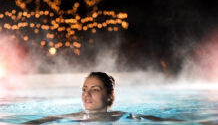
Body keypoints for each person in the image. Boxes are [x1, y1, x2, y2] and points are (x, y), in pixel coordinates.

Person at [24, 72, 182, 124]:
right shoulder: (76, 117)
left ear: (109, 96)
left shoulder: (120, 116)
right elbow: (41, 121)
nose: (87, 94)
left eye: (95, 90)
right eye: (84, 89)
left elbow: (155, 120)